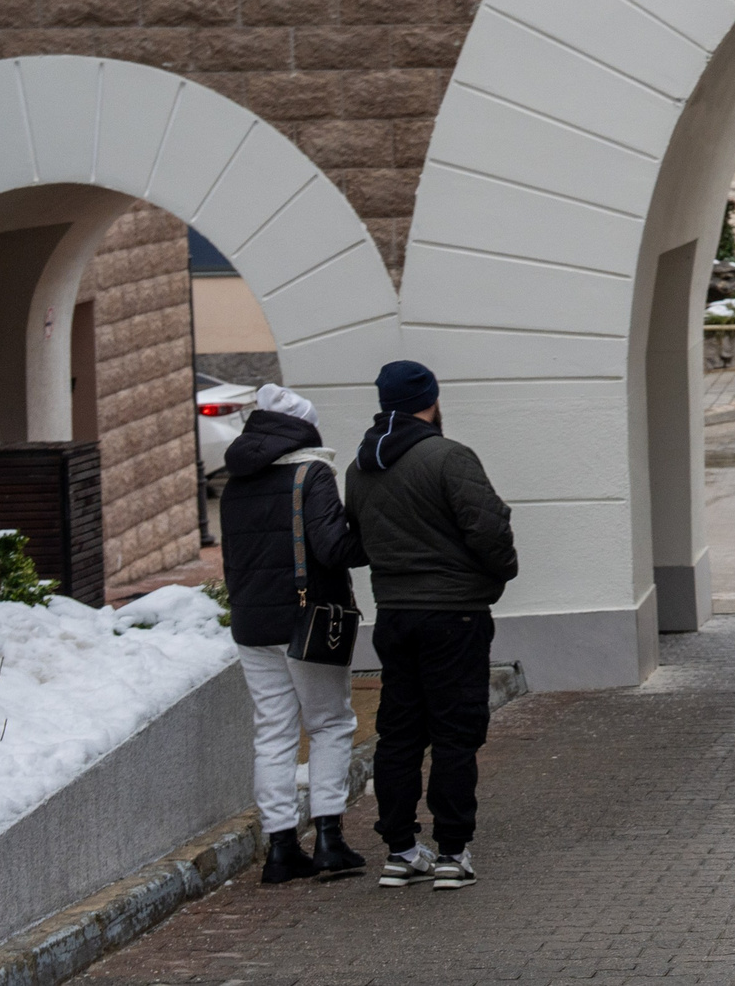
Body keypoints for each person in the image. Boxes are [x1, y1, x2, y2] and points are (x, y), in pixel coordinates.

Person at [346, 360, 519, 892]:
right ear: (431, 399)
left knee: (398, 733)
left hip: (394, 615)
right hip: (455, 615)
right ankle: (452, 852)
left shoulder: (359, 468)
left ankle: (400, 851)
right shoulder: (448, 456)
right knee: (453, 732)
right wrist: (499, 572)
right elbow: (487, 527)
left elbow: (356, 542)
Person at [221, 383, 368, 885]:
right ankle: (329, 839)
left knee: (274, 731)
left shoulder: (236, 480)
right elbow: (333, 548)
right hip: (306, 623)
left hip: (250, 624)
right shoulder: (312, 473)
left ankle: (280, 848)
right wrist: (366, 535)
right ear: (304, 428)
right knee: (329, 724)